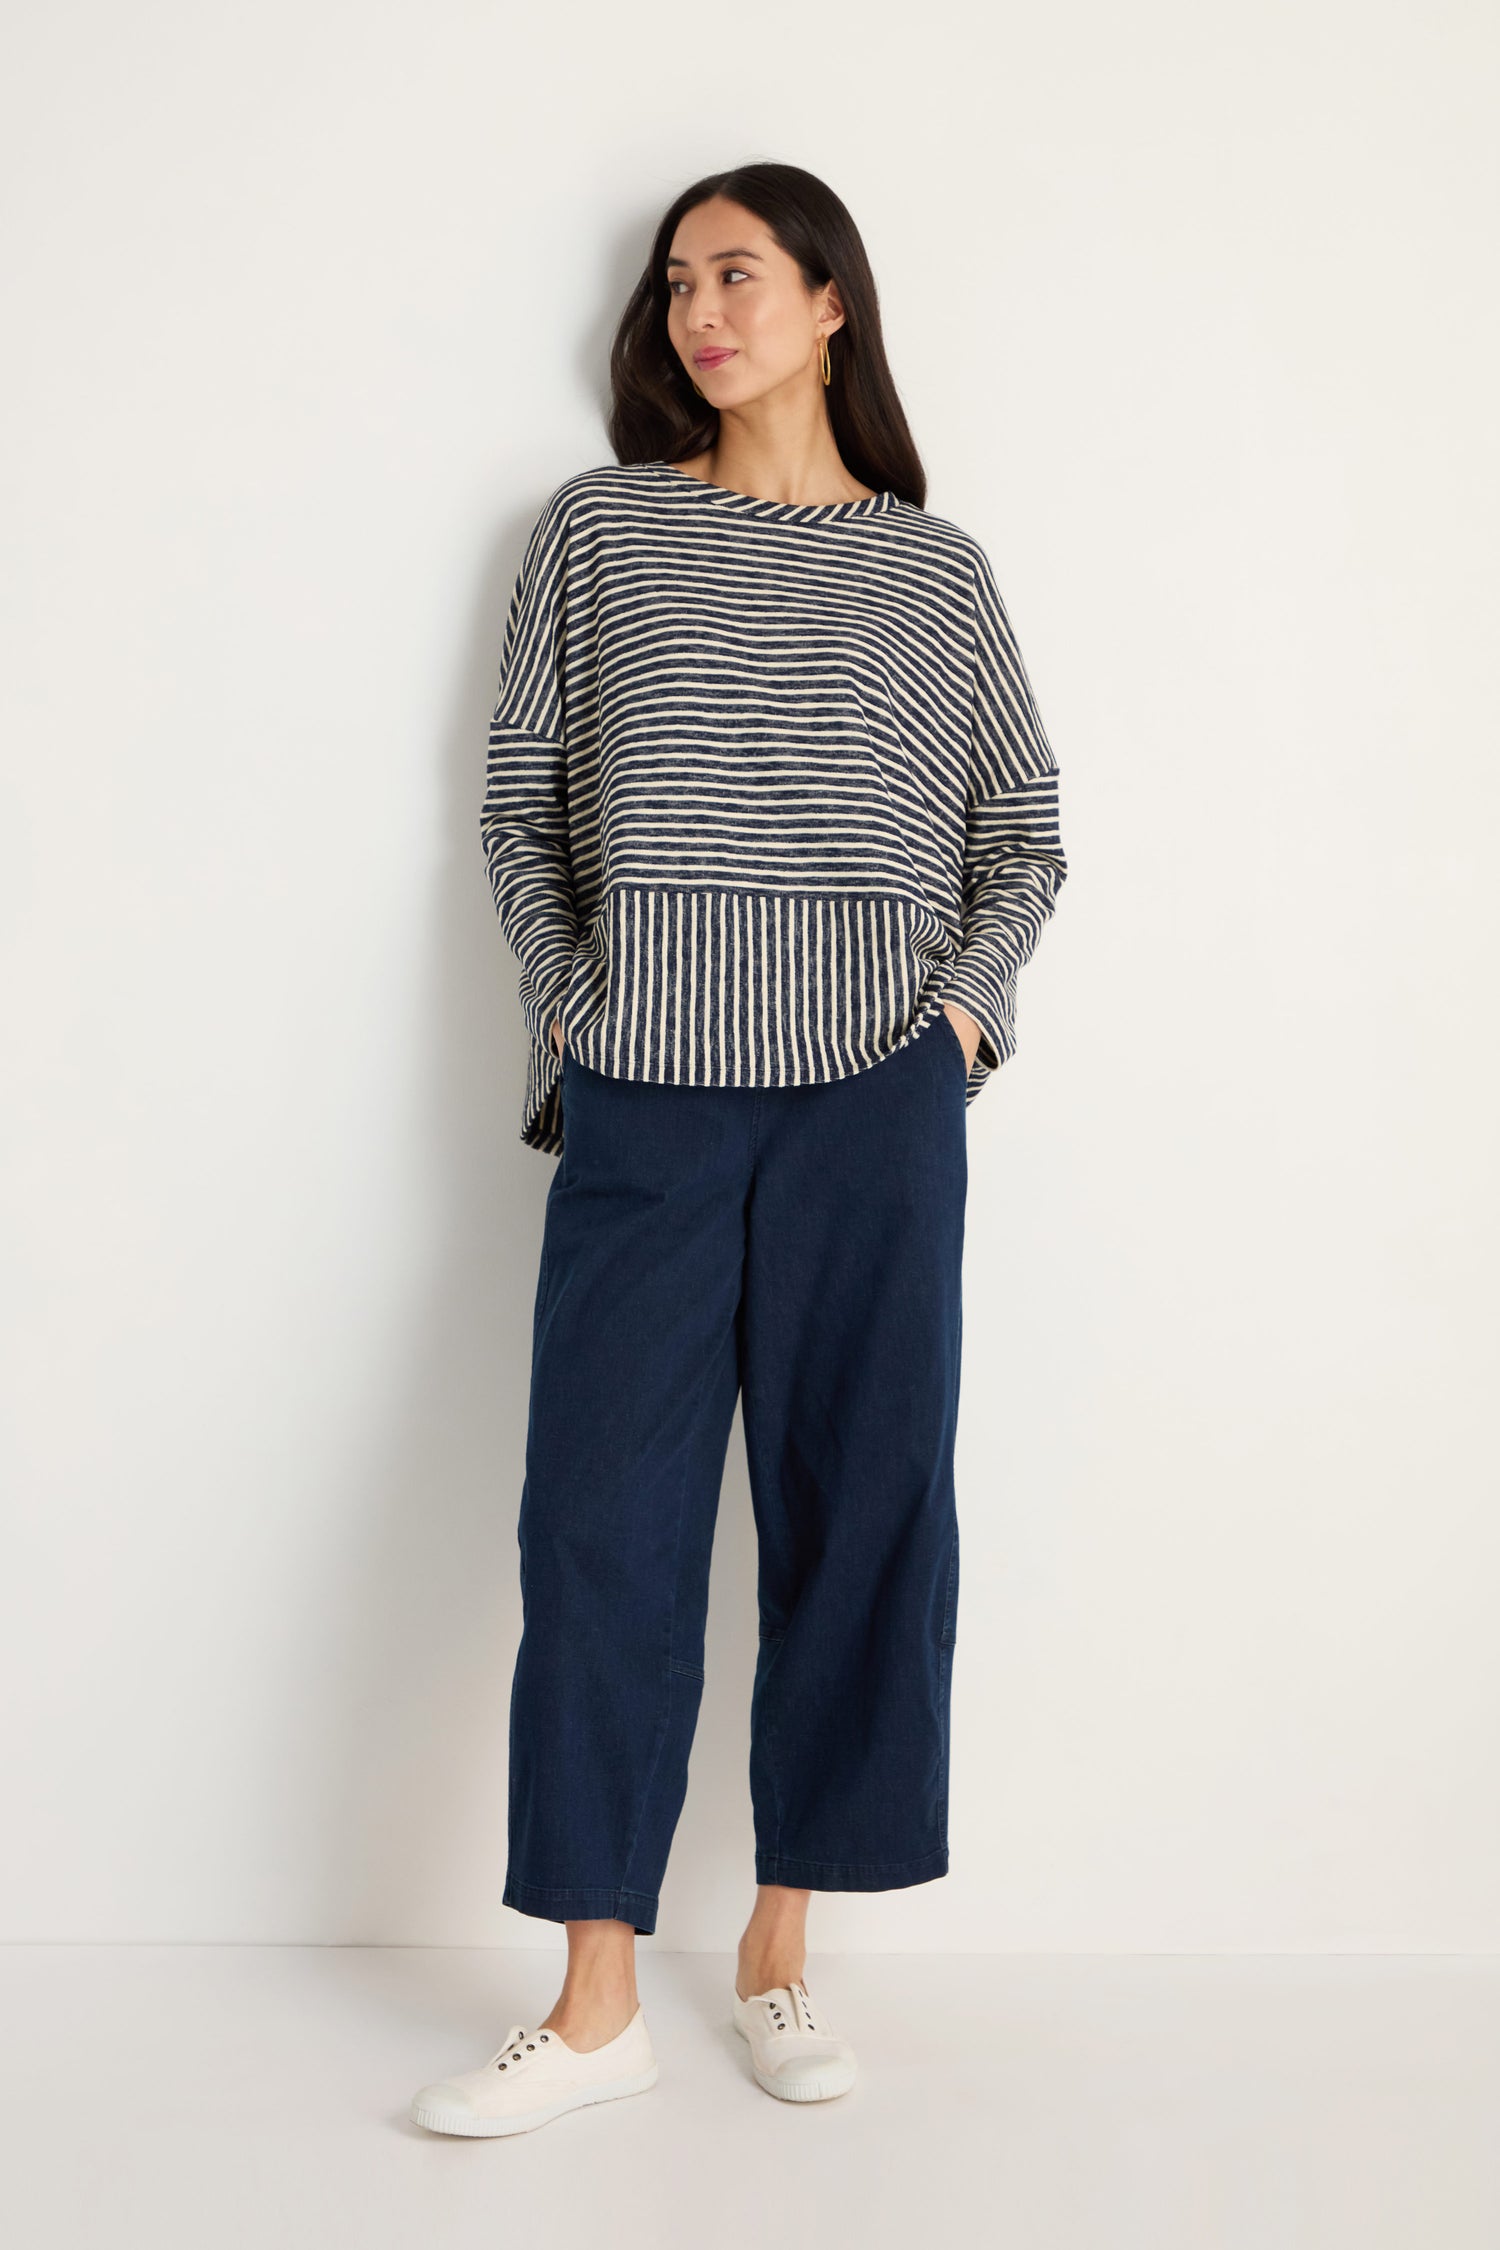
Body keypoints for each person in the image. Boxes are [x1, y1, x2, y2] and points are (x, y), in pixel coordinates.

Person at [410, 161, 1068, 2139]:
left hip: (878, 1100)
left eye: (739, 275)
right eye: (676, 282)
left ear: (831, 303)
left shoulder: (930, 572)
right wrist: (571, 1005)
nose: (700, 310)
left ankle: (781, 1950)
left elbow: (1023, 836)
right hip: (651, 1097)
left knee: (862, 1516)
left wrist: (959, 1027)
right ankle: (597, 1998)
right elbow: (522, 806)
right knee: (599, 1527)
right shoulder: (600, 533)